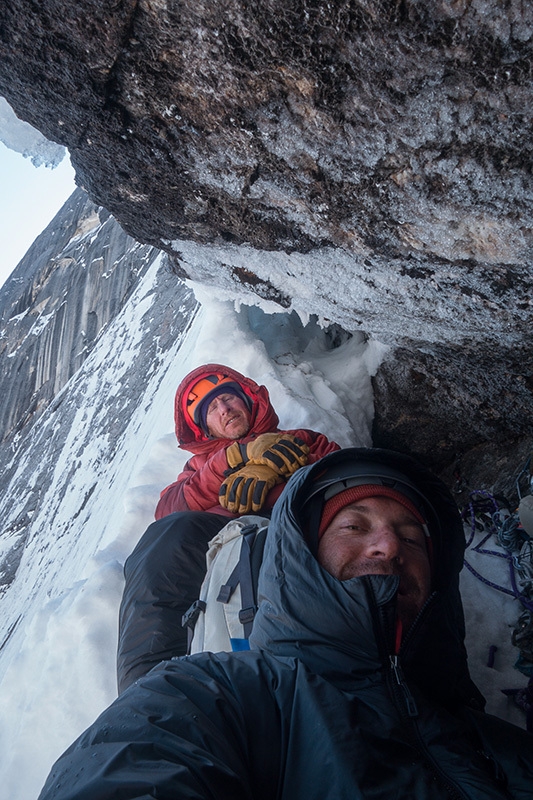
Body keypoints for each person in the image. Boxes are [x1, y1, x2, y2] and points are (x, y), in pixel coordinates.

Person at [40, 448, 533, 800]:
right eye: (355, 526)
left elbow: (330, 453)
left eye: (412, 536)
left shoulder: (491, 739)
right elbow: (139, 756)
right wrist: (230, 463)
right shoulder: (218, 700)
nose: (390, 545)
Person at [117, 363, 339, 692]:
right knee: (164, 542)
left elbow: (338, 474)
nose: (224, 409)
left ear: (247, 401)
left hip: (289, 534)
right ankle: (147, 691)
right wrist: (236, 457)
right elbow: (169, 511)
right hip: (217, 547)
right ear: (204, 427)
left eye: (228, 398)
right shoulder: (198, 469)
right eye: (212, 408)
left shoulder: (299, 440)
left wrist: (280, 478)